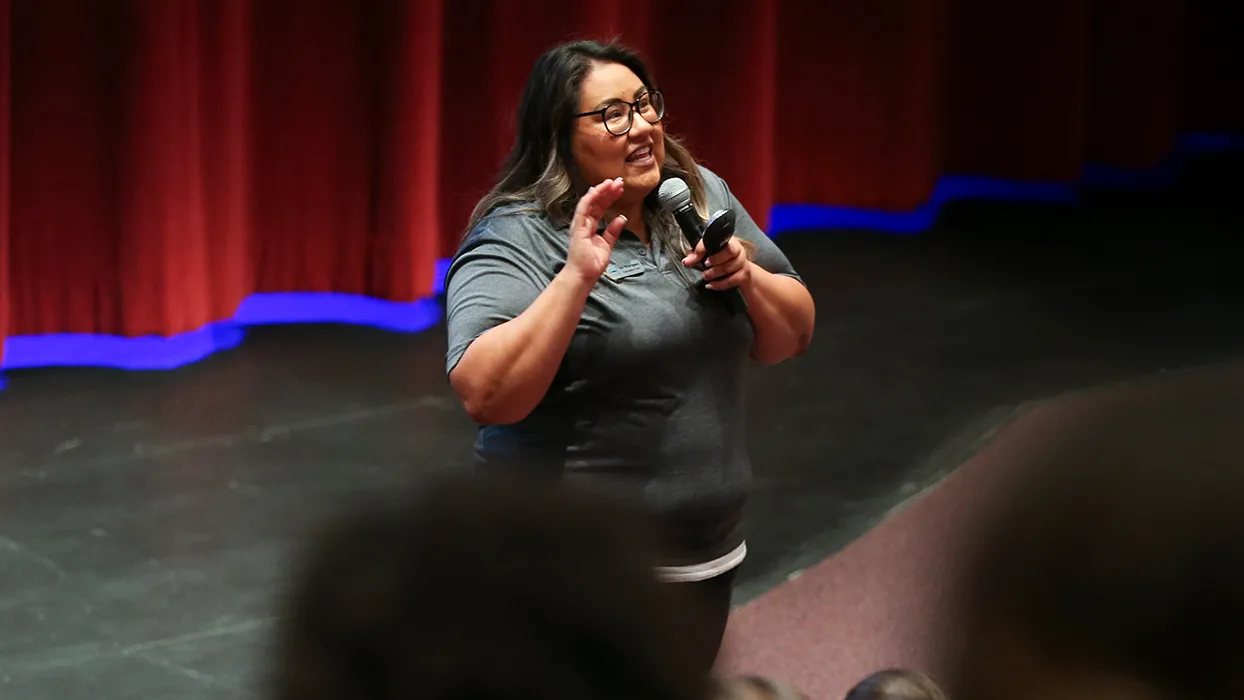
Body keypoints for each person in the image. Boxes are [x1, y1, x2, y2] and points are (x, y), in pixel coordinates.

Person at [443, 39, 816, 671]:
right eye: (614, 114)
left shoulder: (694, 197)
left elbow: (792, 335)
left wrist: (745, 278)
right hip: (571, 574)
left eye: (645, 104)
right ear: (560, 136)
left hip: (702, 557)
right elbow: (486, 394)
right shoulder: (518, 233)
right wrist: (575, 279)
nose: (642, 126)